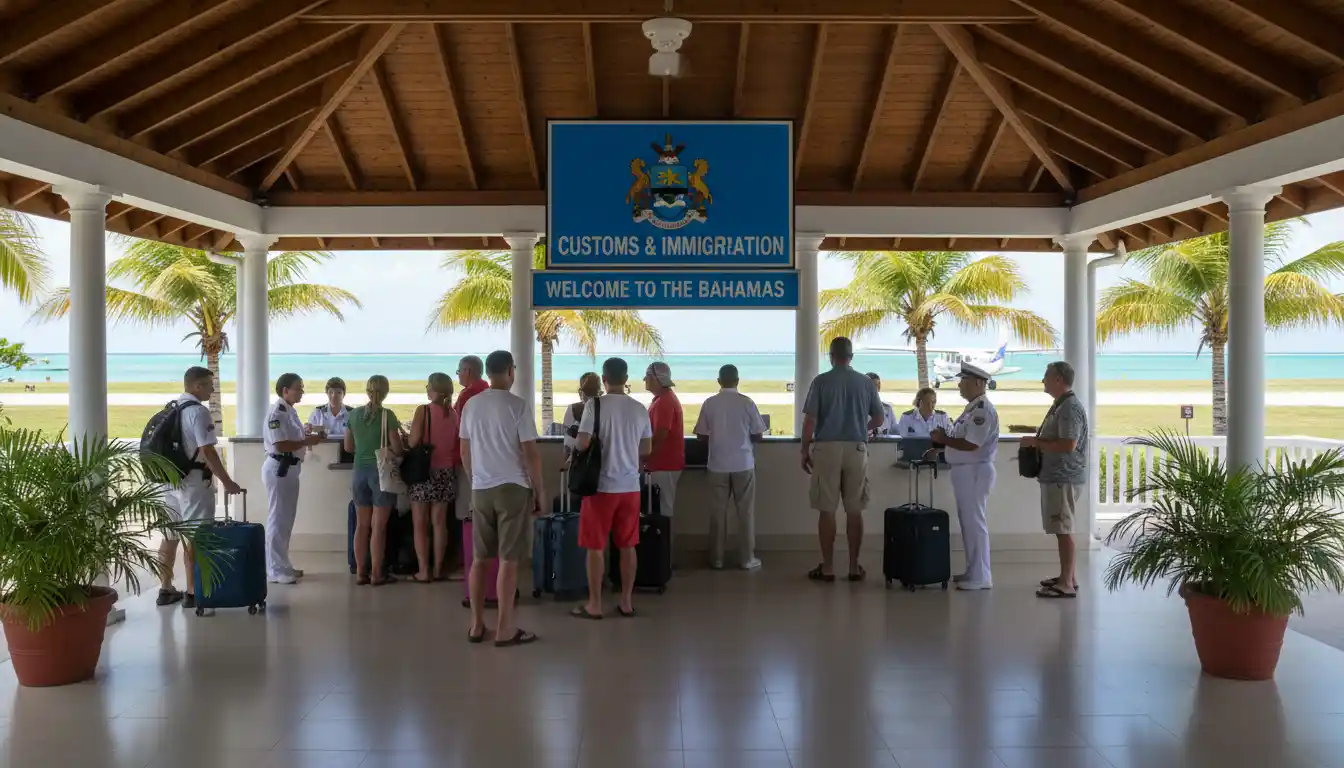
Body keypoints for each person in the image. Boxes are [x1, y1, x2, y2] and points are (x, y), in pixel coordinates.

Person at [458, 350, 545, 646]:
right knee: (508, 560)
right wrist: (540, 491)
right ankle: (505, 628)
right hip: (513, 489)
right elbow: (531, 454)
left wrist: (475, 481)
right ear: (510, 370)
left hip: (481, 489)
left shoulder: (471, 405)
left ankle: (476, 624)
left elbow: (464, 452)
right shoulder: (517, 406)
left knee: (480, 560)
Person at [800, 337, 885, 583]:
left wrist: (804, 450)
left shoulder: (821, 382)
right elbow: (879, 419)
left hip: (826, 448)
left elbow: (810, 421)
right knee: (854, 509)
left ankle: (827, 568)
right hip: (857, 448)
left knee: (827, 509)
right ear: (851, 356)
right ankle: (853, 567)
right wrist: (861, 427)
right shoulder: (865, 383)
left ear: (830, 355)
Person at [157, 366, 243, 609]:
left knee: (170, 535)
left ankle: (165, 588)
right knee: (194, 536)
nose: (212, 389)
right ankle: (193, 592)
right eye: (208, 384)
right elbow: (207, 450)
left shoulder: (171, 409)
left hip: (169, 480)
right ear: (196, 387)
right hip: (193, 481)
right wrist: (227, 481)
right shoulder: (198, 412)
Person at [573, 357, 651, 620]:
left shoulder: (594, 406)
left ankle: (594, 604)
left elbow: (582, 443)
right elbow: (647, 449)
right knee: (628, 546)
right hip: (630, 487)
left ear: (604, 380)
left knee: (596, 547)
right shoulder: (640, 409)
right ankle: (626, 602)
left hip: (600, 487)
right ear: (625, 378)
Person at [931, 362, 1000, 591]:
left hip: (975, 472)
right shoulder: (972, 409)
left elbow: (972, 443)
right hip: (965, 472)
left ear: (979, 383)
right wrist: (943, 447)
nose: (960, 385)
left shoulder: (982, 411)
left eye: (964, 381)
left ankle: (982, 576)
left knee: (975, 523)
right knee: (968, 523)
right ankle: (973, 570)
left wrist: (944, 440)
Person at [1022, 361, 1088, 599]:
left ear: (1059, 379)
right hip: (1057, 476)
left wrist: (1035, 443)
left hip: (1064, 477)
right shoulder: (1061, 406)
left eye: (1046, 376)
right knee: (1062, 526)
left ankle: (1067, 584)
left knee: (1063, 528)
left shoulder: (1069, 408)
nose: (1043, 381)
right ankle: (1067, 577)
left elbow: (1068, 444)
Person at [694, 364, 766, 570]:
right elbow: (758, 434)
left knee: (718, 513)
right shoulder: (747, 403)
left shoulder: (710, 403)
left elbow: (701, 435)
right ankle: (747, 558)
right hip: (743, 464)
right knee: (745, 512)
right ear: (737, 380)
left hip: (717, 464)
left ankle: (716, 559)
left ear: (719, 381)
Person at [263, 373, 324, 585]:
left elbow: (293, 438)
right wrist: (309, 440)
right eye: (298, 388)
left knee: (286, 519)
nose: (301, 392)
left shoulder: (290, 411)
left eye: (302, 388)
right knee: (278, 519)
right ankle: (274, 570)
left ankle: (282, 563)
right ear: (285, 390)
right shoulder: (277, 413)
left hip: (290, 469)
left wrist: (306, 435)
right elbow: (281, 444)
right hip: (279, 467)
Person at [343, 375, 403, 586]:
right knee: (379, 527)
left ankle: (360, 572)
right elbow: (396, 448)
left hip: (359, 471)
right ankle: (377, 573)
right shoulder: (388, 416)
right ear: (385, 392)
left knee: (362, 525)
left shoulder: (354, 415)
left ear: (367, 391)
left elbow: (348, 447)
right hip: (380, 473)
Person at [407, 373, 461, 583]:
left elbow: (413, 442)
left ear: (434, 390)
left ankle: (423, 570)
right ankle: (439, 569)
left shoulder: (424, 410)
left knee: (420, 523)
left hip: (423, 471)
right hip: (446, 472)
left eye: (428, 385)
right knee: (439, 524)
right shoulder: (453, 414)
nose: (426, 389)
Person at [644, 361, 684, 531]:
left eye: (648, 375)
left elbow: (661, 433)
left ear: (656, 379)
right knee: (658, 510)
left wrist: (645, 454)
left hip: (664, 465)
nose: (644, 379)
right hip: (662, 465)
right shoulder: (662, 399)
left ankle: (665, 553)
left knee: (664, 512)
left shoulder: (664, 402)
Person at [454, 354, 488, 524]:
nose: (458, 374)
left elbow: (458, 428)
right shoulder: (487, 389)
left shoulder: (467, 395)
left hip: (473, 457)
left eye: (459, 371)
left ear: (467, 371)